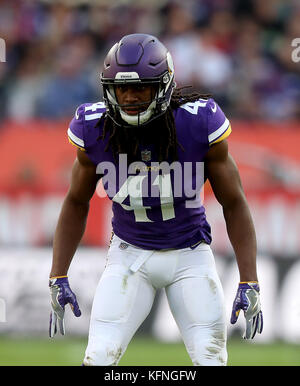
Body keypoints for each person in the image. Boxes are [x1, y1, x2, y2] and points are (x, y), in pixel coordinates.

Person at [49, 33, 263, 366]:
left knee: (211, 359)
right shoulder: (95, 128)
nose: (131, 97)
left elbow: (234, 202)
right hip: (128, 256)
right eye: (122, 89)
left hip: (190, 256)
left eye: (141, 87)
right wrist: (58, 274)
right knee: (99, 357)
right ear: (109, 89)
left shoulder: (197, 123)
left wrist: (250, 278)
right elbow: (77, 201)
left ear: (163, 86)